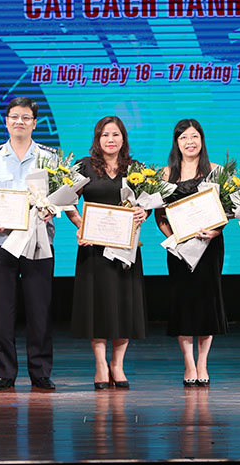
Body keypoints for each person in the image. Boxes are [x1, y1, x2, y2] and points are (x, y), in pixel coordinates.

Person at [0, 97, 58, 391]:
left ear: (35, 123)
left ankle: (40, 371)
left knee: (39, 310)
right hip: (1, 243)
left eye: (26, 117)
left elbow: (60, 196)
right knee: (2, 311)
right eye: (14, 117)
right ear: (6, 121)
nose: (19, 122)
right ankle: (5, 373)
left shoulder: (49, 157)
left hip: (38, 242)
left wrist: (51, 210)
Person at [68, 116, 148, 390]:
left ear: (123, 138)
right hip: (94, 249)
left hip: (125, 249)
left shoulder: (136, 169)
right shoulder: (84, 166)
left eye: (115, 134)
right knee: (97, 305)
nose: (110, 139)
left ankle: (117, 364)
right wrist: (81, 225)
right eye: (105, 135)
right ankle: (101, 364)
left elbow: (145, 204)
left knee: (124, 305)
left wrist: (144, 212)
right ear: (97, 139)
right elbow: (66, 200)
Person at [155, 119, 227, 386]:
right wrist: (174, 238)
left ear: (202, 140)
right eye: (184, 137)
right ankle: (188, 363)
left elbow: (226, 211)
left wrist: (216, 232)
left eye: (194, 136)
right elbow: (159, 215)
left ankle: (203, 363)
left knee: (207, 303)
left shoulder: (216, 171)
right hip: (179, 250)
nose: (190, 142)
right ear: (176, 142)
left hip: (210, 248)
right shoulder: (165, 174)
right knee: (182, 304)